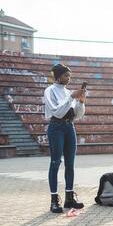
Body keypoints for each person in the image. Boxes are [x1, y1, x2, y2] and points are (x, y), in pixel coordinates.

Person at [43, 64, 86, 213]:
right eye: (66, 75)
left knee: (70, 163)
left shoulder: (68, 92)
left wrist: (80, 101)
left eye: (70, 76)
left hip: (69, 127)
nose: (69, 78)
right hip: (56, 127)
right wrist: (71, 98)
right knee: (55, 162)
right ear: (58, 76)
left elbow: (78, 115)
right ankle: (54, 200)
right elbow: (58, 112)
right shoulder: (49, 91)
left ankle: (69, 198)